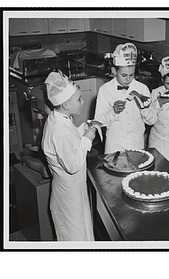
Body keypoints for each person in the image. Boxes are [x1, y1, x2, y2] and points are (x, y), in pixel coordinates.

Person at [42, 70, 100, 241]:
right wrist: (87, 139)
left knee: (82, 232)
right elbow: (72, 165)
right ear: (66, 105)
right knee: (76, 237)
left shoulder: (59, 118)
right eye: (79, 99)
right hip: (69, 194)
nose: (83, 102)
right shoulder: (60, 132)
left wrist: (82, 129)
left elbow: (70, 138)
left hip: (73, 190)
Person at [94, 43, 156, 154]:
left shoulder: (142, 89)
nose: (128, 79)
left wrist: (144, 108)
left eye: (131, 75)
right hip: (115, 144)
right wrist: (113, 112)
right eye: (124, 75)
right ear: (114, 71)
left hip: (137, 143)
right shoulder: (105, 90)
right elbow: (98, 121)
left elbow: (152, 121)